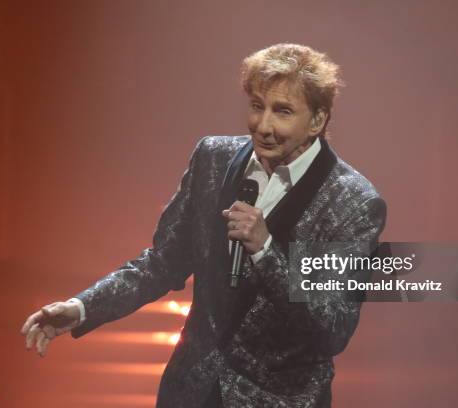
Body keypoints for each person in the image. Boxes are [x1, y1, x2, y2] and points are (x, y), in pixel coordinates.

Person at [21, 43, 387, 407]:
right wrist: (83, 307)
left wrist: (265, 251)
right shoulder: (213, 158)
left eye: (283, 111)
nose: (264, 126)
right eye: (257, 106)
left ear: (318, 120)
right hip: (191, 392)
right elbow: (163, 263)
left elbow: (332, 328)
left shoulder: (351, 202)